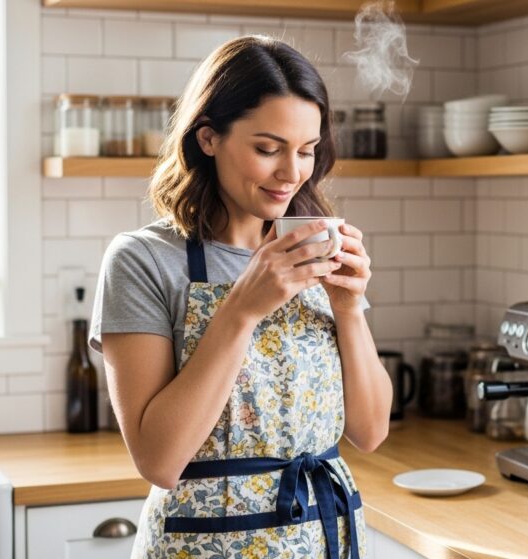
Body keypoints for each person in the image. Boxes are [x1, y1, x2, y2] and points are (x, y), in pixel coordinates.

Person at [89, 35, 392, 558]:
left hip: (322, 538)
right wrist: (242, 308)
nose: (292, 173)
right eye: (267, 148)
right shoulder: (141, 260)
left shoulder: (313, 246)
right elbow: (160, 460)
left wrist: (348, 309)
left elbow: (369, 432)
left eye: (306, 150)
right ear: (208, 138)